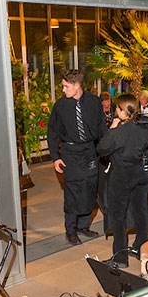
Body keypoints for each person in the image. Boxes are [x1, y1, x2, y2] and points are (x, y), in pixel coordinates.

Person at [47, 70, 106, 245]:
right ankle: (70, 230)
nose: (64, 90)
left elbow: (101, 128)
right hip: (70, 153)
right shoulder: (60, 106)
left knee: (89, 189)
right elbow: (52, 132)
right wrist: (55, 157)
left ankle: (83, 226)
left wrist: (104, 151)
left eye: (66, 86)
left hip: (90, 151)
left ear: (76, 85)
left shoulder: (94, 102)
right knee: (73, 192)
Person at [96, 94, 148, 267]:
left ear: (122, 111)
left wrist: (112, 128)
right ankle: (140, 248)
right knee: (141, 211)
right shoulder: (144, 131)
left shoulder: (117, 133)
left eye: (117, 108)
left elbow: (101, 149)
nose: (115, 110)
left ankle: (120, 258)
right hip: (141, 176)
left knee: (117, 216)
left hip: (122, 176)